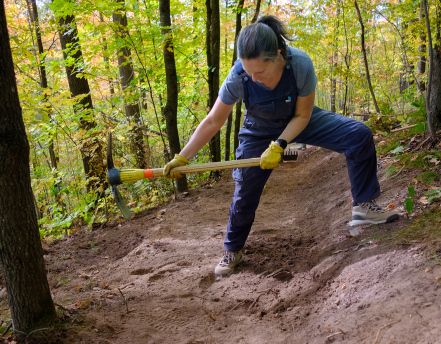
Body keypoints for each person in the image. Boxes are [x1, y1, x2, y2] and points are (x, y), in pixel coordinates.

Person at [163, 15, 399, 276]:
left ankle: (364, 206)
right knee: (246, 185)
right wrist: (183, 157)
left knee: (358, 135)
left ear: (277, 55)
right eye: (248, 71)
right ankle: (233, 250)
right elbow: (213, 120)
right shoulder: (238, 76)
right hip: (258, 129)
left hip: (299, 119)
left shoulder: (300, 65)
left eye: (260, 72)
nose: (253, 78)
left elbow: (302, 115)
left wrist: (279, 145)